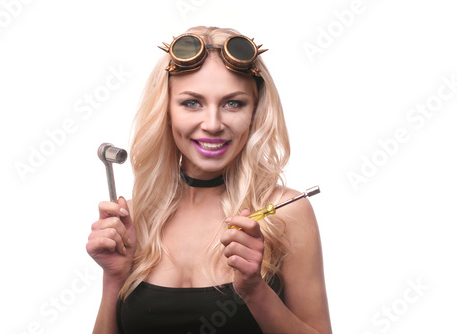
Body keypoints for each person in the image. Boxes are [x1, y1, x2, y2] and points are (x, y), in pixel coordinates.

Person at [86, 26, 332, 334]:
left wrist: (255, 290)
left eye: (233, 103)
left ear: (255, 111)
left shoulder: (285, 213)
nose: (213, 124)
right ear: (166, 111)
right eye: (192, 103)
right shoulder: (134, 220)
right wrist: (113, 279)